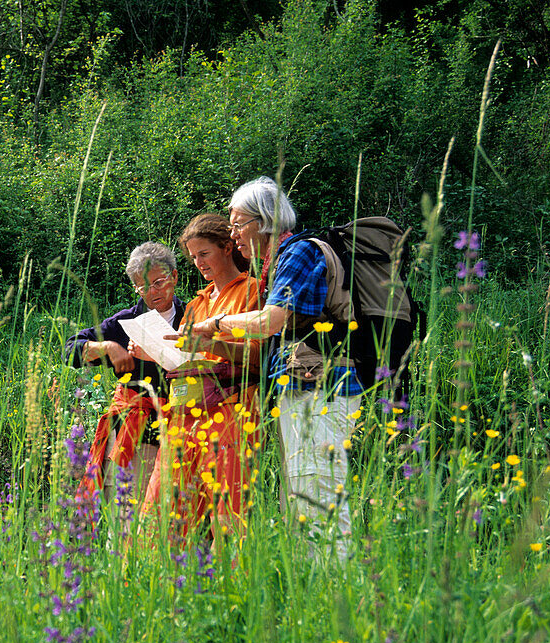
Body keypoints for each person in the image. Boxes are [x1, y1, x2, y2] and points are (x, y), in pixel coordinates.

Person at [188, 177, 363, 557]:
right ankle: (315, 594)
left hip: (320, 389)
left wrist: (217, 324)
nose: (233, 235)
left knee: (316, 496)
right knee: (300, 498)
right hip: (302, 389)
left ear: (264, 221)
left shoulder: (298, 254)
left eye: (237, 224)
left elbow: (271, 321)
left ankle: (336, 595)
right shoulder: (278, 263)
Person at [135, 215, 262, 549]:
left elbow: (260, 356)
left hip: (232, 415)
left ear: (227, 246)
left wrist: (209, 345)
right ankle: (154, 590)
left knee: (228, 514)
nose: (198, 263)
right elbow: (183, 358)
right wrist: (156, 354)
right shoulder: (195, 305)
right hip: (182, 414)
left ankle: (233, 590)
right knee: (160, 511)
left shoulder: (252, 291)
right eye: (193, 257)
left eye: (203, 253)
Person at [64, 242, 185, 500]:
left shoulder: (195, 314)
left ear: (174, 277)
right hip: (134, 433)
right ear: (135, 287)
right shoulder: (125, 323)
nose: (153, 292)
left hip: (185, 428)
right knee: (126, 516)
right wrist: (107, 347)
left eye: (159, 282)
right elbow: (70, 349)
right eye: (144, 287)